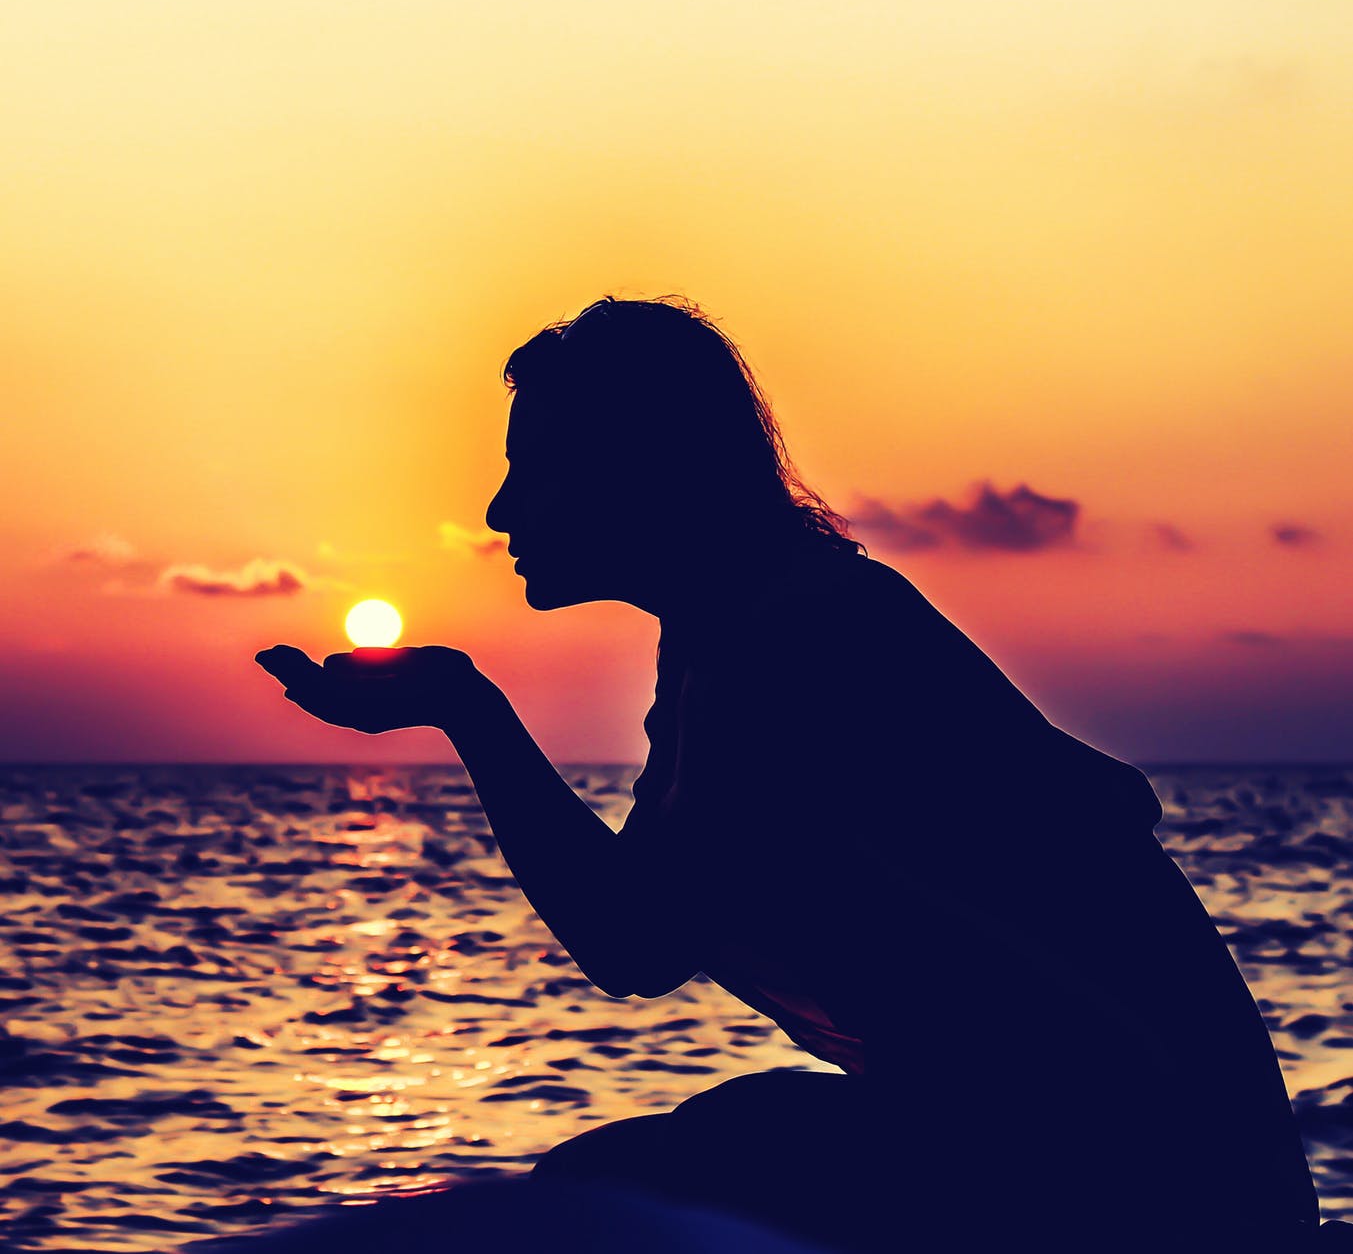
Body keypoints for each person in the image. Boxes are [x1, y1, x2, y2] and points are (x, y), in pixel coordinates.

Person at [256, 296, 1320, 1253]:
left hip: (1149, 1188)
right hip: (1087, 1158)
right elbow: (640, 920)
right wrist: (467, 709)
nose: (498, 511)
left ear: (639, 469)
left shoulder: (796, 639)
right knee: (671, 1167)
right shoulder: (741, 629)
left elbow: (633, 939)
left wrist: (469, 710)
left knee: (614, 1200)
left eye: (534, 469)